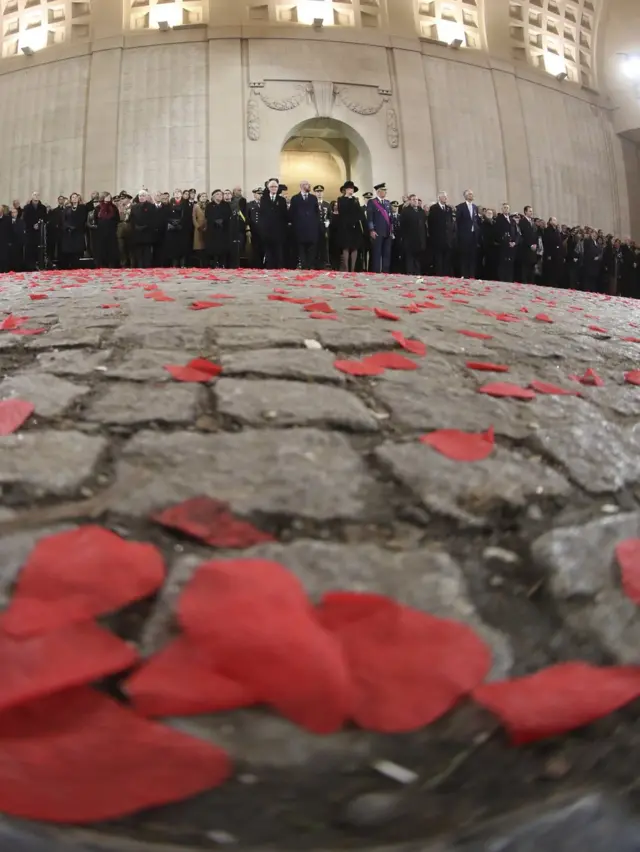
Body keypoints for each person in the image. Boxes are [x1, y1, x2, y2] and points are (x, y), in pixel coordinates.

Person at [289, 180, 320, 270]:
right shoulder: (295, 198)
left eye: (309, 185)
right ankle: (304, 266)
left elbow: (317, 213)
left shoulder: (313, 198)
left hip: (311, 229)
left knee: (311, 249)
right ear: (302, 186)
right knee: (301, 249)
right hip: (300, 229)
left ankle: (309, 266)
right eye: (307, 185)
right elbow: (292, 213)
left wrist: (316, 225)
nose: (309, 186)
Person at [259, 178, 288, 270]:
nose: (274, 188)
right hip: (267, 230)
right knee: (269, 251)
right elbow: (262, 214)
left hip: (279, 230)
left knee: (278, 251)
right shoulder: (264, 199)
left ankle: (279, 267)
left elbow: (284, 215)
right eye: (271, 186)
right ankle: (269, 267)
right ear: (268, 188)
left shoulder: (282, 200)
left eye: (275, 186)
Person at [335, 181, 362, 272]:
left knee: (354, 247)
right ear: (346, 190)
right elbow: (342, 210)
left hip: (355, 227)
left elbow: (359, 212)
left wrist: (353, 200)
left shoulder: (355, 200)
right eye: (350, 188)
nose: (351, 190)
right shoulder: (341, 199)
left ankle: (353, 268)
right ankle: (346, 268)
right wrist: (349, 199)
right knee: (345, 246)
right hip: (345, 226)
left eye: (352, 189)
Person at [367, 182, 393, 273]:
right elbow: (369, 217)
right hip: (377, 231)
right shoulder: (372, 202)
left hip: (387, 231)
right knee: (377, 253)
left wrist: (391, 230)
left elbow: (390, 218)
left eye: (385, 191)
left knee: (387, 253)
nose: (385, 192)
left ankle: (385, 271)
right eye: (383, 191)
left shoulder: (387, 203)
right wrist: (371, 230)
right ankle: (376, 271)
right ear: (378, 192)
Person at [428, 191, 455, 276]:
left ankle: (446, 275)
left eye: (446, 197)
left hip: (448, 239)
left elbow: (450, 222)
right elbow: (431, 223)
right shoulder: (434, 208)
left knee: (447, 259)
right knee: (438, 259)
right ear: (439, 198)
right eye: (444, 196)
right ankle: (439, 274)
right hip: (437, 238)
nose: (446, 198)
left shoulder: (448, 209)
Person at [400, 193, 428, 275]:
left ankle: (417, 273)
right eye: (413, 200)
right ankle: (410, 273)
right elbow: (403, 225)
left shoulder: (421, 211)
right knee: (410, 259)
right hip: (410, 240)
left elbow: (424, 225)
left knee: (418, 259)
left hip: (420, 240)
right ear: (410, 201)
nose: (415, 201)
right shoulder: (406, 211)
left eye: (416, 199)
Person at [455, 189, 480, 278]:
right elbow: (457, 221)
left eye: (472, 194)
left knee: (472, 256)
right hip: (464, 235)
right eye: (469, 194)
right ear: (465, 196)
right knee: (464, 256)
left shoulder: (475, 207)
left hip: (473, 235)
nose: (471, 195)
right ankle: (464, 274)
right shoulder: (460, 207)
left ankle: (472, 275)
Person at [129, 190, 157, 268]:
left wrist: (146, 226)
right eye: (140, 196)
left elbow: (153, 219)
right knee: (138, 251)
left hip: (147, 232)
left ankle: (147, 266)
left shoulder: (151, 206)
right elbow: (131, 219)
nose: (141, 197)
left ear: (146, 197)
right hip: (137, 232)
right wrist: (135, 226)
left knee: (147, 251)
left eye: (143, 196)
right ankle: (139, 266)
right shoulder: (134, 207)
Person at [205, 189, 231, 268]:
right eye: (217, 194)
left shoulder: (225, 205)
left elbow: (228, 214)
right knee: (214, 247)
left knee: (223, 246)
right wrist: (215, 221)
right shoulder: (209, 205)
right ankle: (214, 262)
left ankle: (222, 263)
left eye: (220, 194)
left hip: (223, 229)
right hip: (213, 229)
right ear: (213, 196)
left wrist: (222, 220)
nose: (219, 196)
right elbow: (207, 215)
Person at [60, 192, 87, 269]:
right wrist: (68, 227)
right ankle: (69, 265)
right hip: (68, 232)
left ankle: (77, 265)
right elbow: (63, 220)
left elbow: (83, 219)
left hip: (78, 231)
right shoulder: (67, 209)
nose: (74, 198)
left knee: (77, 251)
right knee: (69, 251)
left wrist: (76, 227)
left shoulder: (82, 208)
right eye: (73, 197)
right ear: (70, 199)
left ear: (78, 199)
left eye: (76, 197)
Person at [93, 193, 120, 268]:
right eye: (107, 196)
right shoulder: (98, 208)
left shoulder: (114, 207)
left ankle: (112, 263)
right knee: (101, 248)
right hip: (101, 232)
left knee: (111, 248)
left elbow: (117, 219)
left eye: (109, 196)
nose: (108, 198)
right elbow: (95, 219)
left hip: (111, 231)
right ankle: (101, 264)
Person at [494, 203, 519, 283]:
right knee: (503, 263)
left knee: (510, 263)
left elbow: (517, 233)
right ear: (502, 209)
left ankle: (509, 279)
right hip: (503, 245)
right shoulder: (499, 219)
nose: (506, 209)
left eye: (507, 208)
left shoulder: (512, 220)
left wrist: (515, 242)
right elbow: (497, 232)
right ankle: (502, 279)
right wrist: (505, 241)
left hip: (512, 245)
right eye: (504, 208)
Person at [22, 192, 47, 271]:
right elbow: (25, 219)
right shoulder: (26, 207)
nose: (36, 196)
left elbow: (45, 218)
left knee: (39, 249)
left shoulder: (43, 207)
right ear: (32, 197)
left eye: (38, 195)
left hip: (39, 232)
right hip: (30, 232)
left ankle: (39, 265)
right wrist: (32, 225)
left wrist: (39, 225)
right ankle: (29, 266)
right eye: (35, 195)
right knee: (30, 249)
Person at [518, 205, 538, 284]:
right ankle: (524, 281)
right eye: (529, 211)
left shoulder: (532, 222)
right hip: (526, 247)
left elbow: (535, 234)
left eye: (531, 211)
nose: (531, 212)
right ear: (525, 212)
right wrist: (530, 245)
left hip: (533, 247)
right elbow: (524, 235)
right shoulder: (522, 222)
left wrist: (535, 244)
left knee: (532, 265)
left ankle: (531, 281)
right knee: (525, 265)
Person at [229, 186, 248, 268]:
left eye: (241, 190)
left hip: (240, 224)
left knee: (240, 243)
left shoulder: (243, 200)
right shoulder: (230, 200)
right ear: (234, 191)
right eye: (238, 190)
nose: (240, 191)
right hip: (231, 225)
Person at [542, 217, 564, 287]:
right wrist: (548, 254)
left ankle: (555, 283)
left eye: (556, 220)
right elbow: (546, 242)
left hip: (557, 254)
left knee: (556, 270)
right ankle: (549, 283)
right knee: (550, 270)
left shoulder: (557, 231)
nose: (555, 221)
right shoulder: (547, 230)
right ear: (550, 221)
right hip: (550, 253)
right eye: (554, 220)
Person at [314, 185, 331, 269]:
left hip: (324, 228)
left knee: (324, 246)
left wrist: (328, 221)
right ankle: (315, 262)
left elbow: (330, 216)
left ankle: (324, 263)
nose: (319, 193)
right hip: (315, 228)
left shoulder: (327, 204)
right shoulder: (313, 203)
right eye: (317, 192)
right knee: (315, 245)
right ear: (315, 193)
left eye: (321, 192)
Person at [247, 188, 263, 268]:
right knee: (255, 248)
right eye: (258, 194)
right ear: (254, 194)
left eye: (261, 194)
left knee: (264, 248)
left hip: (264, 230)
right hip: (254, 230)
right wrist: (248, 229)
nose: (260, 195)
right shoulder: (250, 204)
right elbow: (247, 218)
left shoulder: (265, 204)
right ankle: (256, 265)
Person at [7, 205, 25, 271]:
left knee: (18, 258)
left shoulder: (21, 222)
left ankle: (18, 269)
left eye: (15, 212)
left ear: (17, 213)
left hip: (18, 243)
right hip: (10, 244)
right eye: (12, 212)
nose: (13, 213)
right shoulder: (7, 222)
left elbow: (22, 232)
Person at [192, 192, 207, 267]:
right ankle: (199, 264)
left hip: (206, 228)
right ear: (199, 197)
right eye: (202, 196)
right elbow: (193, 218)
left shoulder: (208, 205)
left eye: (205, 196)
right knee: (199, 246)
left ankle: (205, 264)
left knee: (205, 246)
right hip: (198, 229)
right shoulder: (196, 206)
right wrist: (197, 226)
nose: (204, 197)